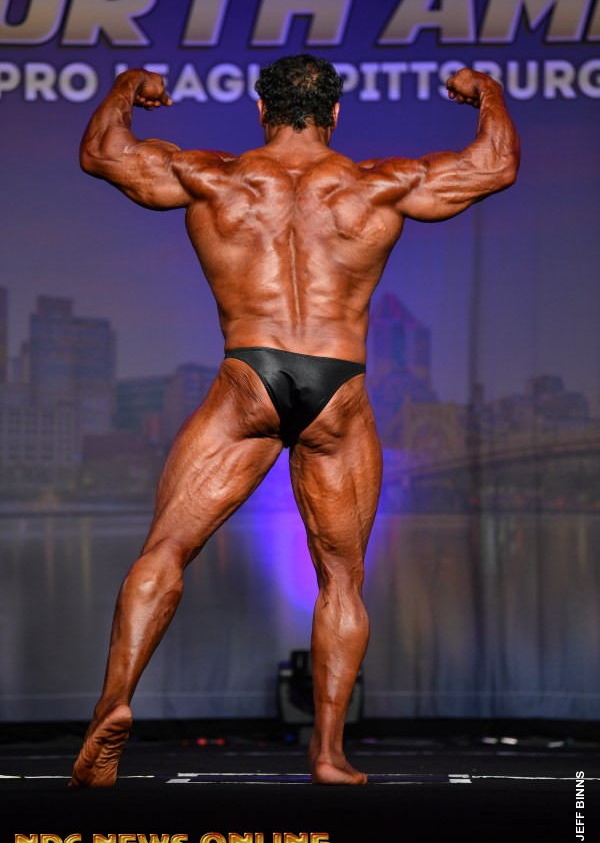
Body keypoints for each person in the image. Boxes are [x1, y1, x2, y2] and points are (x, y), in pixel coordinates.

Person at [69, 54, 519, 788]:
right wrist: (485, 92)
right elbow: (495, 164)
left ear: (260, 110)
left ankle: (113, 705)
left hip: (250, 375)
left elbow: (101, 153)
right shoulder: (380, 183)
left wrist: (128, 88)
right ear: (335, 114)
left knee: (167, 549)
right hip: (338, 387)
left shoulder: (212, 176)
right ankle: (330, 755)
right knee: (341, 579)